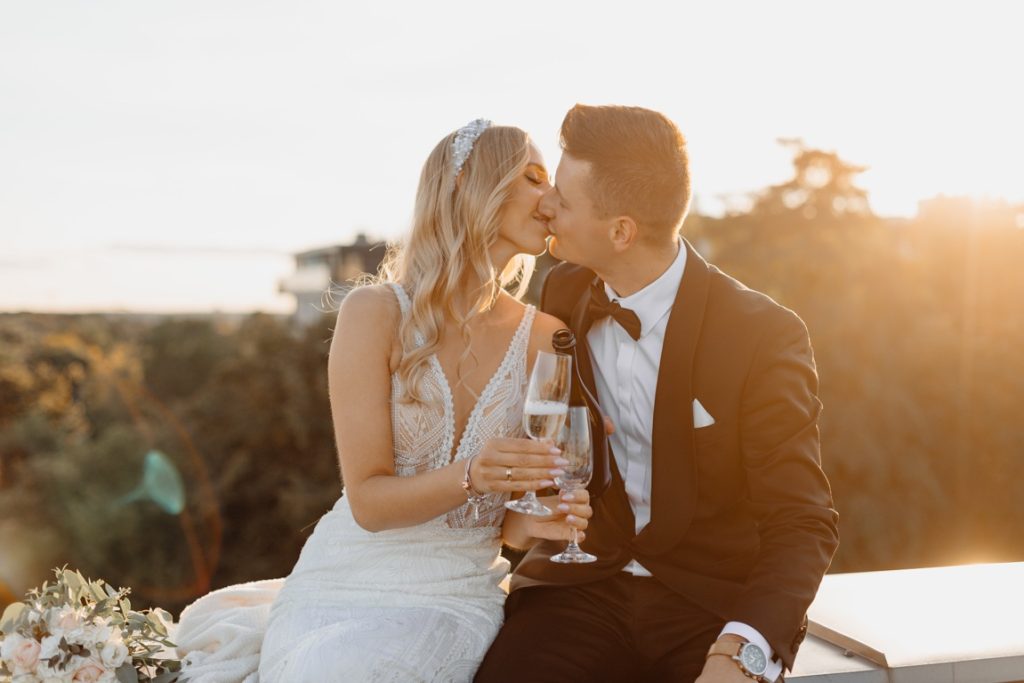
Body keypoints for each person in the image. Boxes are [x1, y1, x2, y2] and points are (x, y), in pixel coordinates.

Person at [175, 120, 592, 683]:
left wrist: (548, 519)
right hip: (341, 579)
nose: (553, 198)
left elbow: (508, 529)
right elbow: (369, 503)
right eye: (535, 178)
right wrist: (474, 473)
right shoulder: (374, 313)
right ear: (472, 186)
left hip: (455, 594)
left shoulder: (544, 335)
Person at [475, 105, 840, 683]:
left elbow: (802, 520)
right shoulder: (563, 290)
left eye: (564, 199)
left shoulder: (762, 334)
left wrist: (743, 650)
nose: (546, 206)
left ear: (621, 231)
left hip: (709, 603)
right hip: (581, 587)